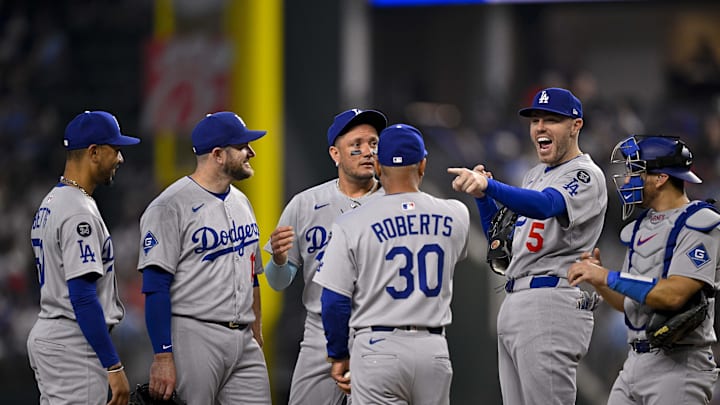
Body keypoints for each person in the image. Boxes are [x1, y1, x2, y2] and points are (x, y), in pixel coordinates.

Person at [448, 87, 608, 404]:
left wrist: (490, 184)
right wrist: (483, 197)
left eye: (552, 120)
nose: (540, 128)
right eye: (535, 120)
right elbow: (500, 242)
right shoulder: (535, 175)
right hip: (517, 298)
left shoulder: (586, 174)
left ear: (576, 126)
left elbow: (546, 206)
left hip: (551, 301)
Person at [314, 124, 470, 405]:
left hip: (378, 347)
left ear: (376, 163)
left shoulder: (351, 222)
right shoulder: (456, 213)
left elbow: (334, 301)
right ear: (422, 164)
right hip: (433, 349)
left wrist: (338, 354)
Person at [568, 135, 720, 404]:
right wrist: (600, 280)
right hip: (635, 362)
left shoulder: (701, 224)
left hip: (680, 364)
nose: (627, 180)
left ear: (661, 177)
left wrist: (609, 276)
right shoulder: (639, 227)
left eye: (635, 172)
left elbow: (673, 295)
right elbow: (629, 303)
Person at [137, 112, 271, 404]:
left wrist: (256, 332)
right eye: (243, 146)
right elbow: (155, 286)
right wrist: (162, 355)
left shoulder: (241, 201)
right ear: (218, 154)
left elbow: (252, 276)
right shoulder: (169, 206)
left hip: (244, 337)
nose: (252, 152)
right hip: (195, 335)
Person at [263, 108, 387, 405]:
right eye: (356, 145)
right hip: (320, 330)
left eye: (373, 143)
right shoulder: (306, 204)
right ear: (335, 153)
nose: (367, 151)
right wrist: (279, 261)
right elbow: (278, 282)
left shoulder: (395, 201)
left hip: (380, 327)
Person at [28, 110, 140, 405]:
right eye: (115, 150)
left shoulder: (52, 200)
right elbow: (83, 295)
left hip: (54, 331)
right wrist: (113, 365)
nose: (120, 159)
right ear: (94, 152)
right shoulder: (78, 210)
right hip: (74, 341)